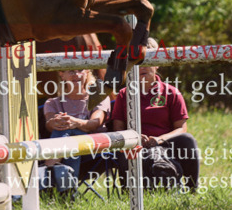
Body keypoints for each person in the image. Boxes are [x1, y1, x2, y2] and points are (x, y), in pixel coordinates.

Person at [112, 38, 200, 192]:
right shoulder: (123, 94)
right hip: (135, 144)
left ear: (158, 63)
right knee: (124, 146)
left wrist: (159, 139)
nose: (141, 68)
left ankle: (192, 188)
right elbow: (117, 129)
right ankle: (133, 192)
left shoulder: (171, 92)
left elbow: (181, 128)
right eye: (136, 63)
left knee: (188, 140)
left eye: (146, 61)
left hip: (166, 144)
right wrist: (137, 137)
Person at [40, 69, 109, 200]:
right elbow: (49, 124)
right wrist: (56, 122)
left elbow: (95, 123)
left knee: (69, 133)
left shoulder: (98, 97)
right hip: (69, 150)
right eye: (71, 71)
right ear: (62, 74)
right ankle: (67, 194)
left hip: (94, 153)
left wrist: (74, 122)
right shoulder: (52, 102)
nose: (76, 75)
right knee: (69, 138)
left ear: (87, 73)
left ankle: (46, 178)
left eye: (80, 71)